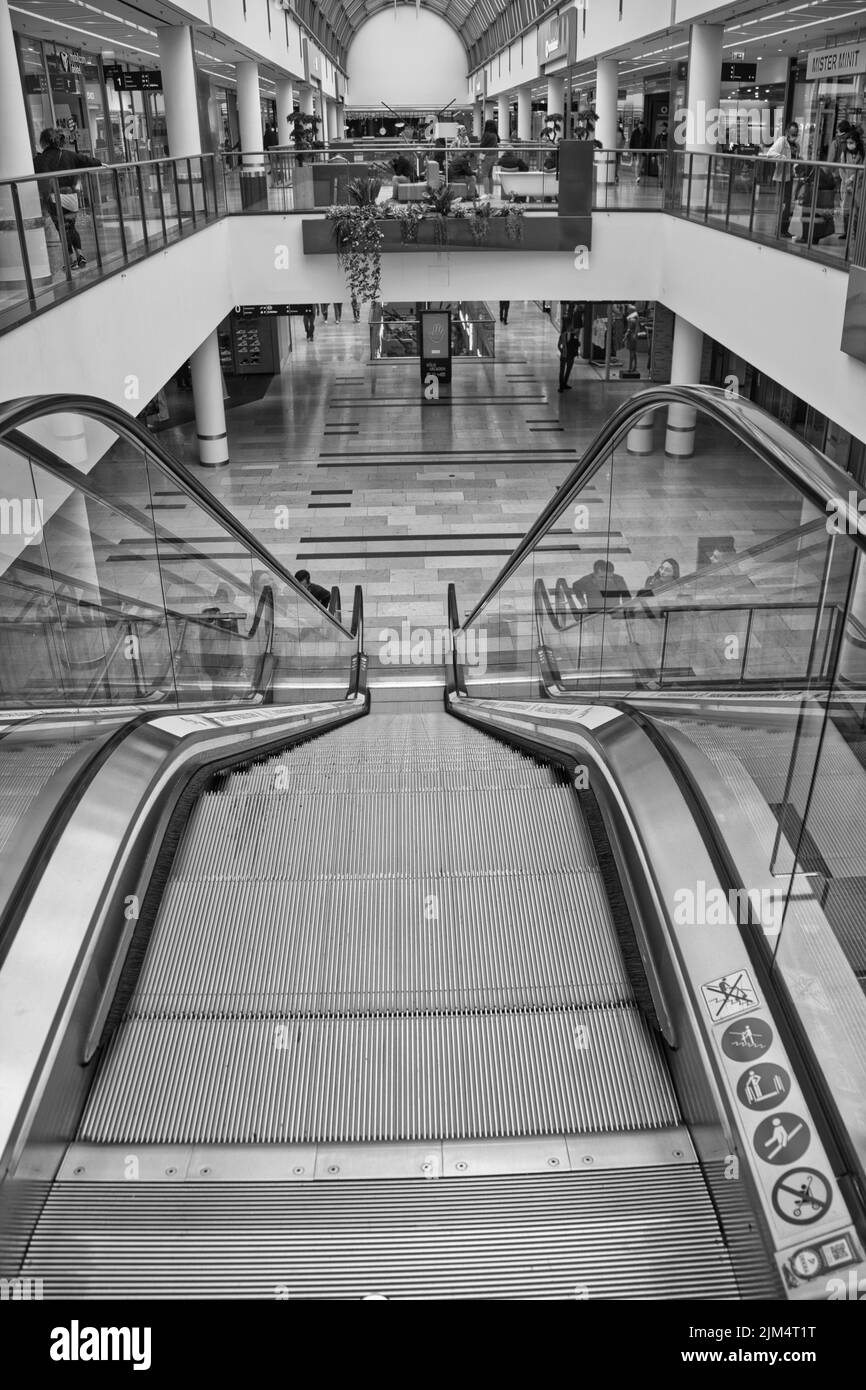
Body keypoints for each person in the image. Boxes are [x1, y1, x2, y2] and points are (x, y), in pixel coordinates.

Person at [33, 127, 101, 269]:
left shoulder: (39, 160)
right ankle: (80, 255)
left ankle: (71, 260)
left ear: (44, 142)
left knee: (62, 229)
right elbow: (90, 162)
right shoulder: (69, 155)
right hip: (71, 198)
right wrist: (102, 163)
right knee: (71, 227)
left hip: (53, 199)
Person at [764, 122, 800, 238]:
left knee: (790, 205)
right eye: (792, 133)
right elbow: (770, 153)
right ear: (787, 132)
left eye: (796, 133)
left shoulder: (796, 146)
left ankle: (784, 229)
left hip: (792, 177)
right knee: (783, 204)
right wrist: (783, 158)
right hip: (782, 177)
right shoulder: (782, 141)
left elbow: (796, 159)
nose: (794, 135)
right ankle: (779, 229)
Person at [793, 161, 836, 245]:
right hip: (821, 200)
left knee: (807, 213)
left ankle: (807, 237)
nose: (799, 176)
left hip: (815, 199)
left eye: (799, 174)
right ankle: (813, 238)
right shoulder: (819, 172)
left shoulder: (815, 173)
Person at [835, 128, 865, 242]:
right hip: (846, 184)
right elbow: (841, 168)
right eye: (847, 143)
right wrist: (846, 179)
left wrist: (853, 178)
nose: (849, 145)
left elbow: (862, 169)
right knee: (846, 209)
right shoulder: (844, 153)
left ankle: (856, 233)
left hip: (858, 184)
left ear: (856, 142)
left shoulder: (862, 153)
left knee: (857, 210)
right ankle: (846, 232)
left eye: (851, 143)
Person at [557, 315, 582, 392]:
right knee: (568, 370)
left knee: (562, 370)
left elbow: (558, 345)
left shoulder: (563, 335)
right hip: (570, 356)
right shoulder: (573, 335)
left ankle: (561, 386)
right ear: (569, 325)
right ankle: (564, 384)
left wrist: (562, 351)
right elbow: (578, 344)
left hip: (564, 355)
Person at [478, 119, 499, 194]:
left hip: (486, 156)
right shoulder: (495, 135)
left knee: (485, 175)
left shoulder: (487, 134)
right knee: (490, 175)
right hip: (493, 156)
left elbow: (482, 145)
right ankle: (491, 193)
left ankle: (486, 193)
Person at [623, 305, 640, 374]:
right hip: (633, 336)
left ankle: (630, 368)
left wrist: (625, 337)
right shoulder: (635, 317)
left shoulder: (632, 318)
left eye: (628, 310)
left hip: (631, 336)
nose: (627, 311)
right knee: (634, 352)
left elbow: (630, 329)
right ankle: (634, 367)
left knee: (631, 353)